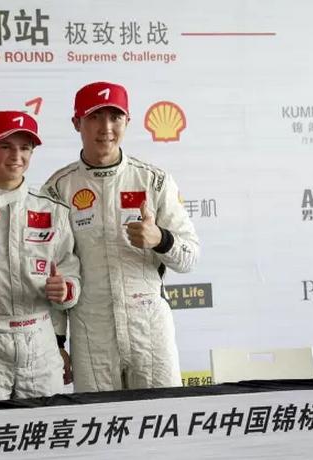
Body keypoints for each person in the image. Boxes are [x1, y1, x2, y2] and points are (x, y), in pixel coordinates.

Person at [44, 82, 200, 392]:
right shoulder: (58, 189)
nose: (106, 128)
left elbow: (190, 257)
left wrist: (161, 239)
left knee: (163, 416)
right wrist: (57, 342)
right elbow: (52, 271)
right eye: (94, 117)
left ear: (127, 121)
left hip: (150, 329)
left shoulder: (153, 181)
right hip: (91, 332)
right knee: (98, 421)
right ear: (76, 122)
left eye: (115, 117)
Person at [0, 111, 80, 400]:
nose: (16, 156)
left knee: (46, 423)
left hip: (40, 340)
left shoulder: (53, 210)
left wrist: (67, 289)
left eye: (25, 148)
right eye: (5, 146)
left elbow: (70, 270)